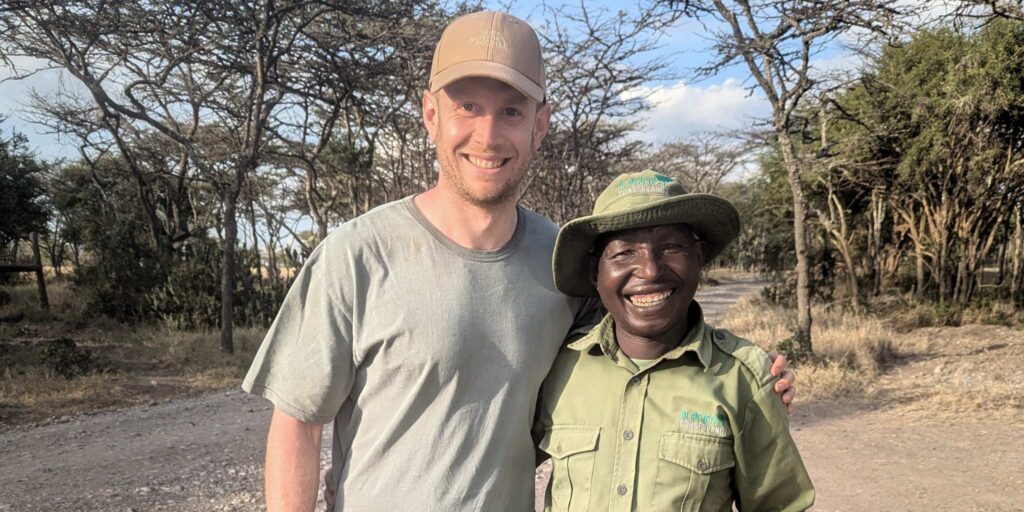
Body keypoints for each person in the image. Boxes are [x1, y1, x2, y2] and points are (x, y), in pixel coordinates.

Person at [242, 11, 796, 511]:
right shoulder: (356, 255)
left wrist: (749, 375)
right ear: (431, 115)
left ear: (540, 124)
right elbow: (297, 424)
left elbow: (642, 337)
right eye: (468, 107)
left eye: (511, 110)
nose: (488, 135)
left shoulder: (564, 264)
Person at [535, 169, 815, 511]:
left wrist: (759, 376)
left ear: (698, 258)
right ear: (596, 271)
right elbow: (499, 462)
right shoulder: (558, 367)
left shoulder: (744, 379)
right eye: (624, 253)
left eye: (671, 247)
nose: (650, 270)